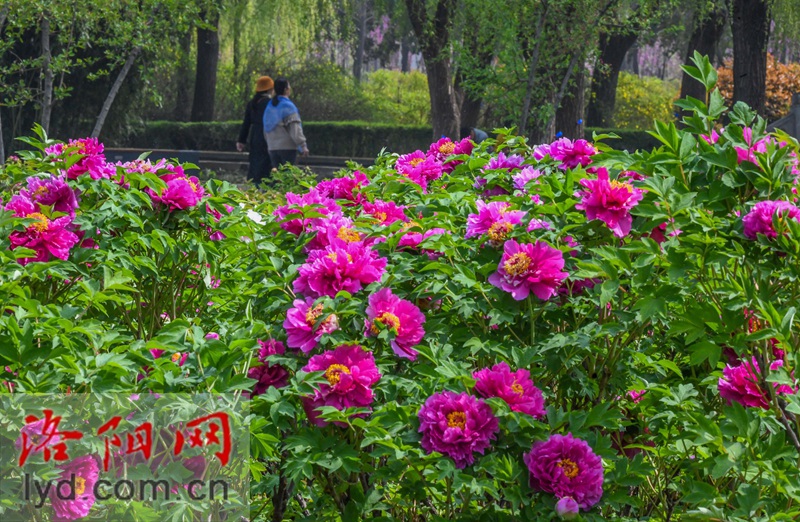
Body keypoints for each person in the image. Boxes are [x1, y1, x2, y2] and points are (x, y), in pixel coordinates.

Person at [263, 78, 309, 168]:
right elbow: (295, 128)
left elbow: (265, 129)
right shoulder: (288, 106)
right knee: (288, 177)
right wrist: (303, 145)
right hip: (287, 148)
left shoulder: (270, 106)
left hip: (272, 147)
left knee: (278, 178)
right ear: (286, 89)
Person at [236, 76, 274, 186]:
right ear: (270, 89)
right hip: (267, 134)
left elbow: (246, 123)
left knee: (255, 161)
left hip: (255, 135)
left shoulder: (252, 103)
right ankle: (266, 185)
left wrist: (241, 140)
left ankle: (253, 184)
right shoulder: (270, 103)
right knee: (267, 162)